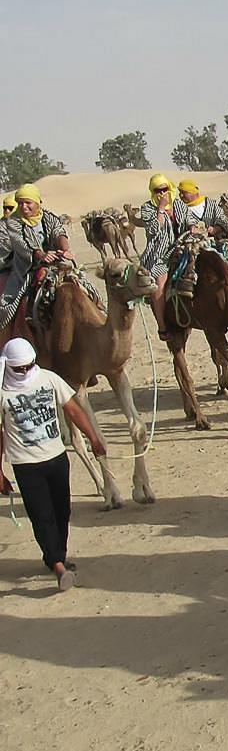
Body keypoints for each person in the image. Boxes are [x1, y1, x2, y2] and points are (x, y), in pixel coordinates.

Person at [0, 337, 106, 592]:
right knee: (42, 515)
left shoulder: (48, 378)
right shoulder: (3, 392)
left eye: (29, 366)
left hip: (57, 457)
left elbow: (72, 409)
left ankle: (56, 555)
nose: (25, 372)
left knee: (62, 511)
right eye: (20, 369)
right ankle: (58, 565)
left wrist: (93, 437)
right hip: (26, 465)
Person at [0, 185, 74, 341]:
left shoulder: (48, 217)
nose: (23, 207)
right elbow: (22, 244)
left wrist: (65, 249)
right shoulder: (13, 222)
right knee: (6, 306)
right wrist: (41, 255)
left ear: (37, 202)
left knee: (84, 285)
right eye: (20, 203)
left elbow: (58, 231)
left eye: (28, 203)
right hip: (26, 270)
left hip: (55, 264)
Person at [138, 173, 197, 333]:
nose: (162, 194)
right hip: (160, 253)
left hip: (185, 245)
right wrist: (161, 209)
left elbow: (190, 218)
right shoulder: (147, 208)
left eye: (164, 189)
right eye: (158, 191)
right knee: (160, 281)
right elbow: (153, 229)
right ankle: (162, 325)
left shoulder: (178, 204)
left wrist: (192, 226)